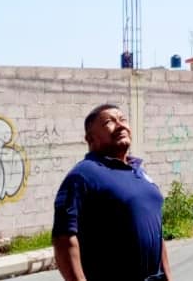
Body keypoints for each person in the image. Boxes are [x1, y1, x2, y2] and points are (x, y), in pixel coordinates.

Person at [53, 104, 171, 281]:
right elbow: (64, 239)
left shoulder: (139, 172)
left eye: (122, 119)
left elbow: (156, 232)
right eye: (109, 121)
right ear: (90, 139)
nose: (120, 125)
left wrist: (168, 277)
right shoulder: (83, 175)